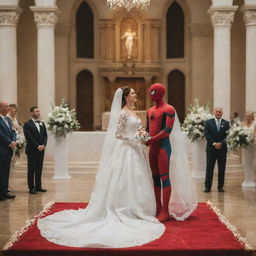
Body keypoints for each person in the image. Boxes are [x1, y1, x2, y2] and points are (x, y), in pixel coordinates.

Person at [37, 87, 165, 248]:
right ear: (126, 97)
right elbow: (118, 134)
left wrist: (142, 134)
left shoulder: (133, 112)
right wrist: (133, 139)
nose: (135, 94)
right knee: (124, 179)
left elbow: (137, 128)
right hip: (126, 149)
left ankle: (139, 209)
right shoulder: (123, 113)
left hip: (136, 151)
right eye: (132, 93)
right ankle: (124, 209)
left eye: (134, 92)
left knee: (138, 178)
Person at [146, 83, 197, 222]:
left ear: (160, 93)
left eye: (153, 91)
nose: (150, 93)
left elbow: (167, 131)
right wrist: (144, 136)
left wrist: (152, 139)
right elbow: (147, 129)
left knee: (164, 177)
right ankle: (157, 207)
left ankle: (165, 210)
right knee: (155, 177)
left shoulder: (169, 109)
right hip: (153, 148)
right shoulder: (149, 111)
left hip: (163, 146)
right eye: (150, 91)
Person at [204, 107, 230, 193]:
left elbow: (228, 136)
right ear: (214, 112)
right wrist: (214, 143)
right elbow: (207, 134)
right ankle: (208, 187)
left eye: (220, 112)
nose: (218, 113)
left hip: (222, 149)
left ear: (222, 113)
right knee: (209, 168)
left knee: (222, 169)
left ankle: (220, 187)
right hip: (211, 149)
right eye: (217, 112)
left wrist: (221, 143)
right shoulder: (208, 122)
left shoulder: (226, 123)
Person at [23, 106, 47, 194]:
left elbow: (45, 135)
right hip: (32, 150)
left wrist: (44, 144)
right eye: (36, 111)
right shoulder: (27, 124)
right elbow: (29, 137)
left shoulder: (42, 123)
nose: (38, 113)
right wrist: (38, 146)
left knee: (39, 168)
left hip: (41, 150)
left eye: (39, 111)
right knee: (31, 169)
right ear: (32, 113)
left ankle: (38, 186)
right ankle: (31, 187)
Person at [0, 101, 16, 201]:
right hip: (2, 149)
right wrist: (9, 142)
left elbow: (13, 131)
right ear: (0, 108)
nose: (8, 108)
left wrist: (14, 140)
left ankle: (4, 191)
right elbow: (0, 134)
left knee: (6, 172)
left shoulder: (9, 120)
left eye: (8, 106)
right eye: (6, 106)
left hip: (9, 150)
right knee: (1, 172)